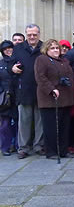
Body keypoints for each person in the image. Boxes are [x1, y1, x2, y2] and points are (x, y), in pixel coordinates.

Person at [34, 39, 74, 159]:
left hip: (65, 99)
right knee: (50, 128)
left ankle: (63, 150)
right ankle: (51, 151)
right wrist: (51, 89)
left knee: (64, 126)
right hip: (49, 100)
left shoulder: (64, 61)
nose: (55, 50)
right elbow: (40, 77)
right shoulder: (42, 60)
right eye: (52, 48)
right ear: (46, 50)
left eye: (57, 48)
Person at [12, 24, 44, 159]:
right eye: (29, 34)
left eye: (34, 34)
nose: (32, 37)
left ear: (39, 35)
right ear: (26, 34)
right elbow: (9, 64)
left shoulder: (44, 47)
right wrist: (12, 68)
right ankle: (23, 148)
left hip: (41, 89)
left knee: (40, 121)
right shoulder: (18, 48)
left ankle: (39, 146)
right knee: (24, 121)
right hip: (24, 89)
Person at [0, 41, 18, 156]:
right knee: (5, 125)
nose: (8, 50)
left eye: (10, 48)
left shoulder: (18, 61)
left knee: (17, 123)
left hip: (17, 96)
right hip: (5, 98)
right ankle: (5, 147)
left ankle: (16, 145)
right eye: (5, 49)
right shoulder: (1, 64)